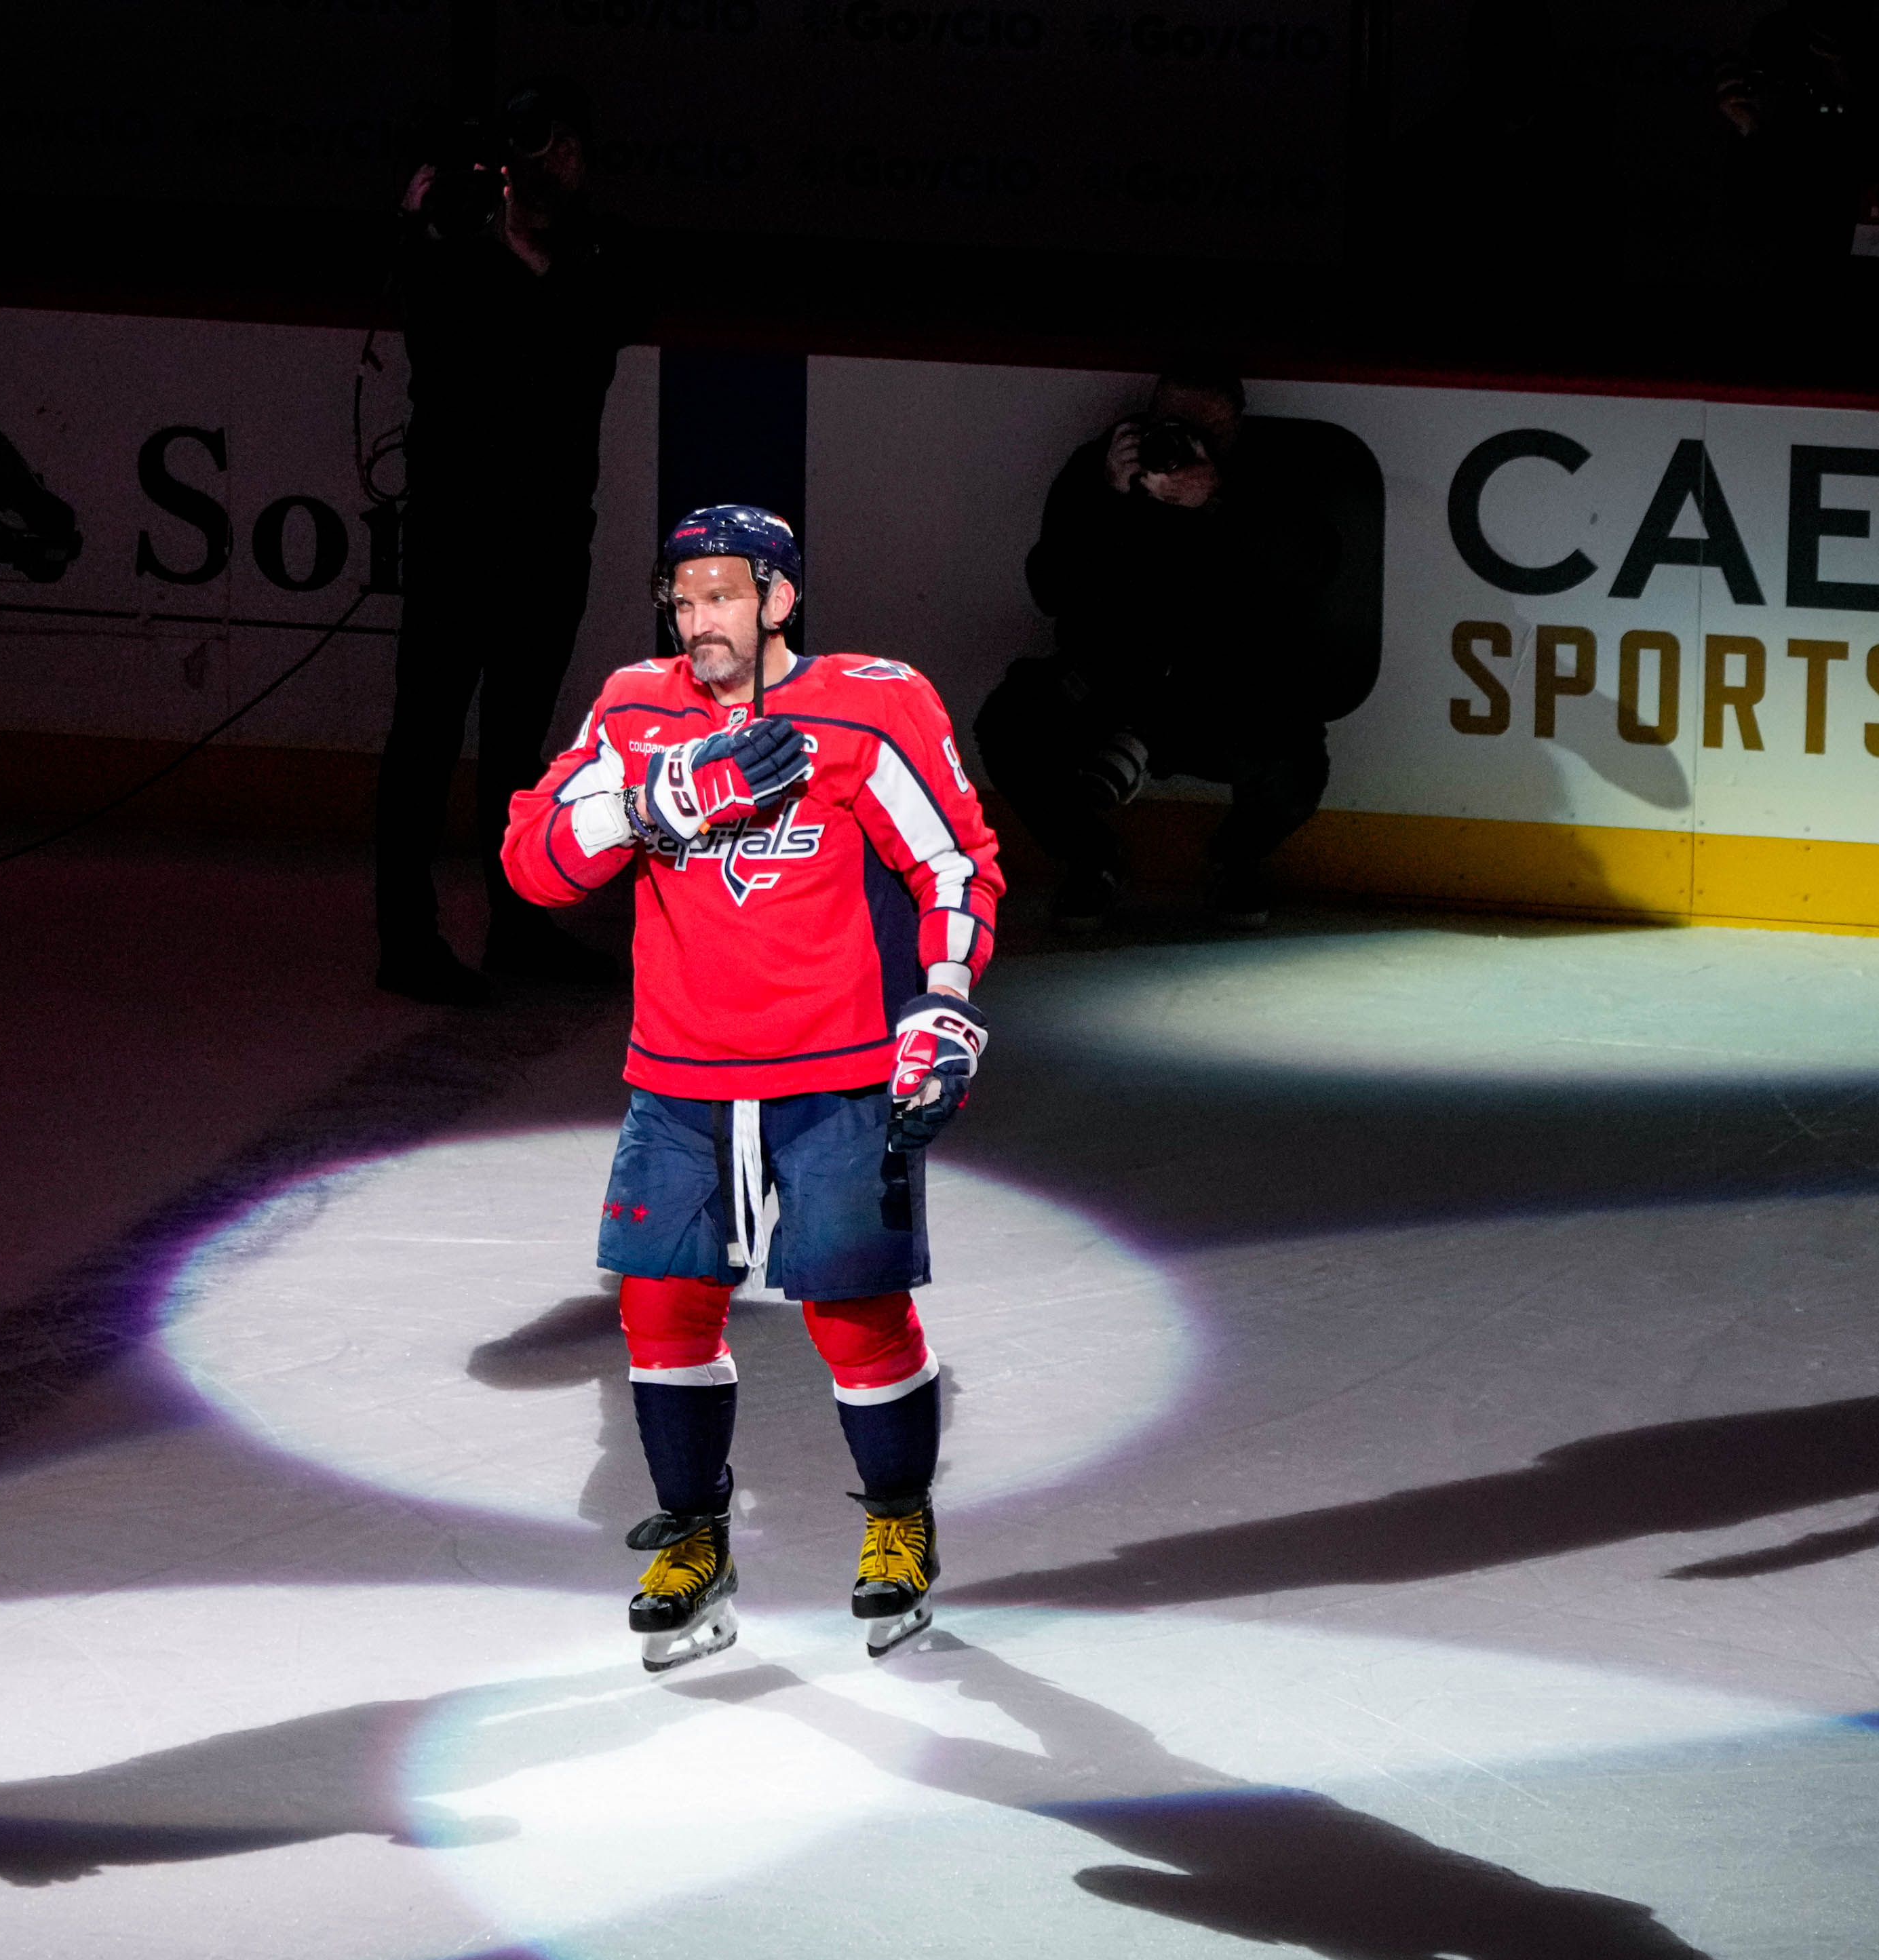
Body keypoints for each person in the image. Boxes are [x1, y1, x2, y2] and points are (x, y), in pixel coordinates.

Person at [501, 505, 1005, 1669]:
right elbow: (532, 864)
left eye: (722, 595)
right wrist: (652, 806)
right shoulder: (634, 707)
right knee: (660, 1310)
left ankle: (897, 1524)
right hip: (679, 1076)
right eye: (682, 601)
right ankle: (693, 1540)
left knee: (855, 1313)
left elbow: (952, 863)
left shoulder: (873, 703)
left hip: (839, 1076)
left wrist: (942, 1001)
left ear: (779, 597)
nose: (698, 622)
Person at [375, 79, 628, 1004]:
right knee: (426, 737)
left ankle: (517, 926)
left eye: (567, 145)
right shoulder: (450, 255)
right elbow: (430, 343)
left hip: (549, 539)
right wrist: (424, 232)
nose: (553, 160)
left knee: (519, 747)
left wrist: (523, 243)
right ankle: (406, 940)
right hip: (456, 536)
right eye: (538, 145)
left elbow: (587, 348)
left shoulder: (595, 260)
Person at [978, 361, 1336, 928]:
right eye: (1167, 425)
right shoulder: (1100, 468)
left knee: (1296, 763)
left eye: (1203, 432)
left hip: (1223, 693)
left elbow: (1309, 576)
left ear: (1233, 429)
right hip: (1110, 681)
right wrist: (1108, 499)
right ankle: (1091, 860)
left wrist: (1218, 501)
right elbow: (1049, 589)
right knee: (1008, 726)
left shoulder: (1268, 476)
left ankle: (1236, 858)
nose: (1182, 442)